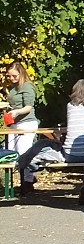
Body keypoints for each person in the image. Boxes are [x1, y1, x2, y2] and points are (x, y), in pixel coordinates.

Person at [4, 62, 39, 196]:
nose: (11, 79)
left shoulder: (28, 87)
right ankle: (23, 180)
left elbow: (28, 107)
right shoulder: (13, 88)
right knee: (11, 153)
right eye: (9, 76)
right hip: (14, 123)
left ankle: (28, 182)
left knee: (24, 153)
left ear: (21, 73)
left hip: (27, 123)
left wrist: (17, 112)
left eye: (14, 76)